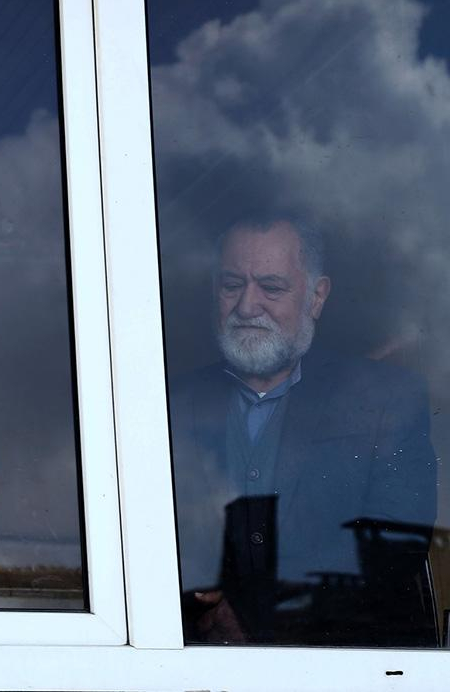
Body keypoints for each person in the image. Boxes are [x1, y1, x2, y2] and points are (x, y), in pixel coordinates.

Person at [169, 214, 437, 646]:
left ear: (316, 296)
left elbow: (395, 547)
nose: (247, 306)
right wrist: (200, 604)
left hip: (347, 665)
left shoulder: (386, 398)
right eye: (232, 285)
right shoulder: (168, 404)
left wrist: (256, 621)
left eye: (271, 287)